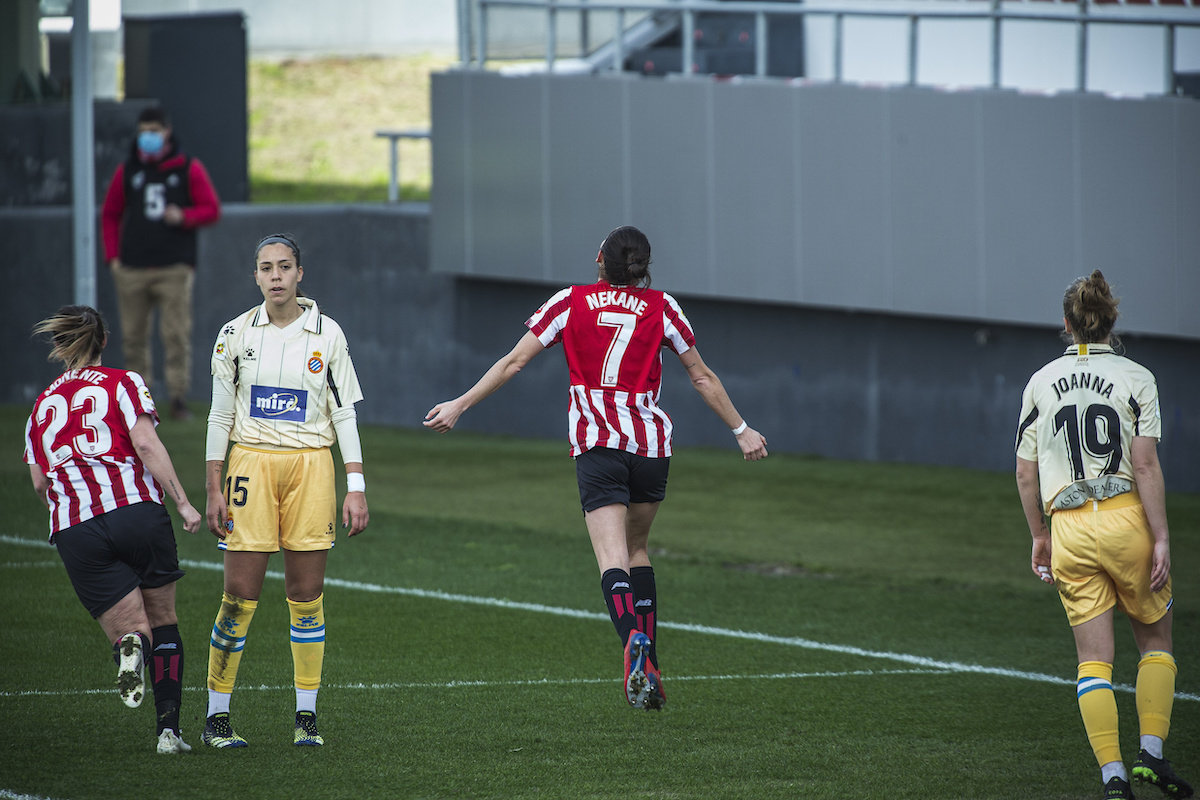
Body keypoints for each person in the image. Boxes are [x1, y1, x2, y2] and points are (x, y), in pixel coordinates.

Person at [425, 225, 768, 711]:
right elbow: (701, 376)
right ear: (643, 267)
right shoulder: (663, 307)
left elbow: (513, 362)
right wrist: (741, 429)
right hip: (650, 448)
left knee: (612, 559)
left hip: (599, 444)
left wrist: (460, 404)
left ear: (600, 260)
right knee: (638, 548)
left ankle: (633, 642)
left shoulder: (570, 302)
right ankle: (650, 668)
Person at [1015, 271, 1191, 800]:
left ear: (1067, 324)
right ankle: (1151, 756)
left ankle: (1113, 778)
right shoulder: (1138, 377)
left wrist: (1039, 535)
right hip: (1124, 517)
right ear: (1112, 322)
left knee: (1093, 662)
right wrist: (1161, 537)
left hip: (1068, 528)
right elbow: (1146, 465)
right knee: (1155, 641)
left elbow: (1025, 472)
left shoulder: (1040, 381)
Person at [203, 232, 369, 748]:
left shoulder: (328, 334)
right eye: (266, 267)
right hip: (250, 465)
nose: (275, 276)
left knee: (306, 596)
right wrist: (213, 487)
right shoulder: (234, 334)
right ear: (255, 276)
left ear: (300, 274)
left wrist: (355, 486)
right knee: (238, 596)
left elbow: (344, 413)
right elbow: (220, 415)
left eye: (284, 266)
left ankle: (306, 718)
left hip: (312, 468)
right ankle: (216, 718)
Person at [23, 305, 202, 754]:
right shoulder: (124, 382)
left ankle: (130, 645)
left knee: (133, 630)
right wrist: (182, 502)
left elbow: (40, 484)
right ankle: (168, 733)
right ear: (104, 340)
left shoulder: (41, 407)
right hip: (134, 511)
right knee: (163, 621)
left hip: (75, 528)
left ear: (59, 347)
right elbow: (145, 443)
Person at [102, 104, 222, 421]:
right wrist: (113, 258)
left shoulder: (186, 167)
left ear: (166, 132)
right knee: (133, 338)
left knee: (175, 335)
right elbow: (111, 213)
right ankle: (139, 402)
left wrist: (184, 216)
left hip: (173, 267)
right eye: (143, 132)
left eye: (153, 131)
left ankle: (178, 398)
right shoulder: (128, 169)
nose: (148, 137)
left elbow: (211, 209)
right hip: (132, 268)